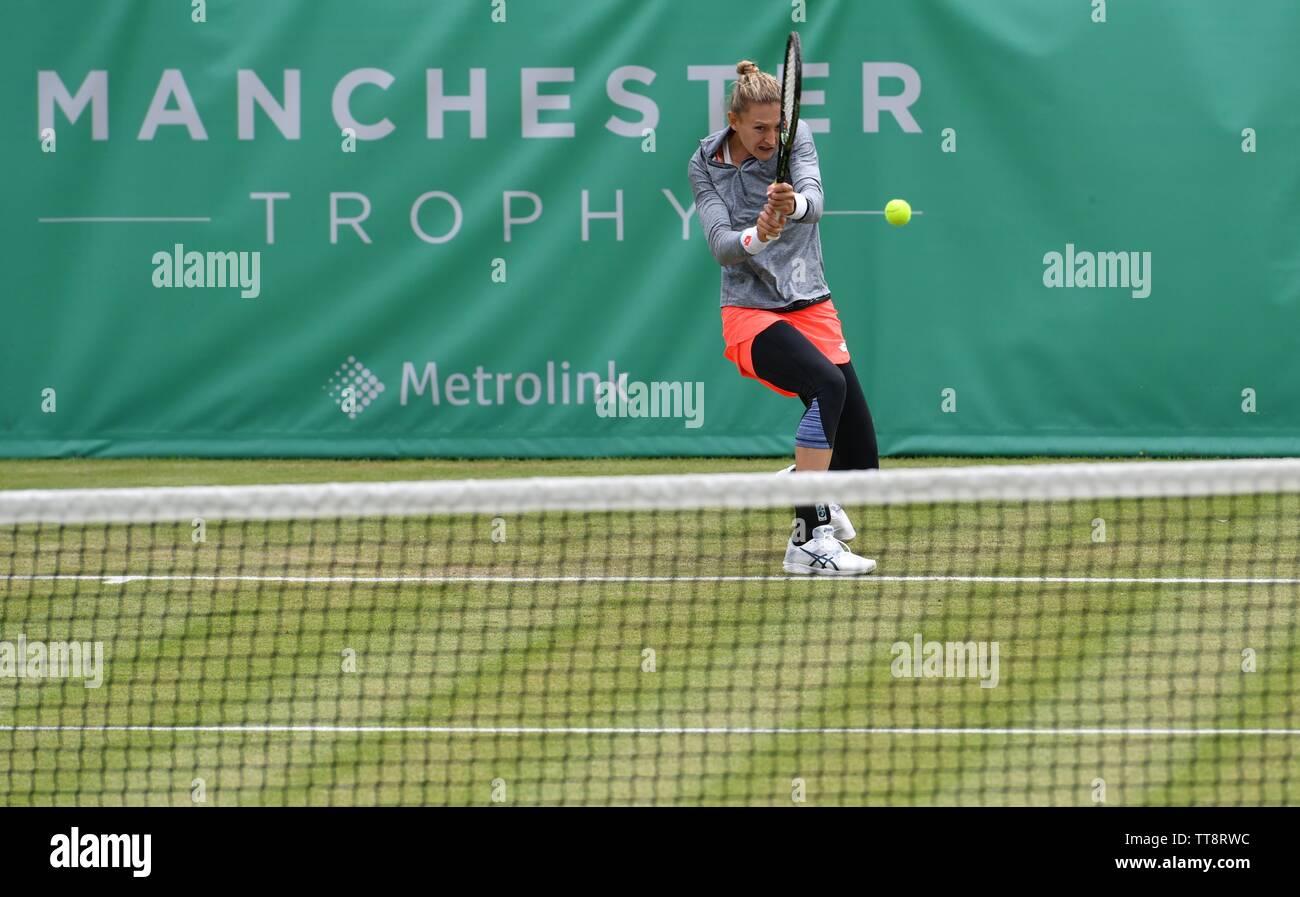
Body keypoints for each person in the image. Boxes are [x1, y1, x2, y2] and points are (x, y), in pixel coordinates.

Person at [687, 60, 879, 575]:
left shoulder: (798, 139)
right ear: (734, 119)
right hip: (749, 312)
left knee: (861, 466)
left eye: (777, 126)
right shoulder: (704, 163)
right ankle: (811, 541)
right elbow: (722, 246)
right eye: (760, 128)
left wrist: (790, 206)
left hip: (811, 303)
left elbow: (815, 199)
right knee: (825, 387)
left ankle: (802, 479)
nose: (771, 137)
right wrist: (758, 233)